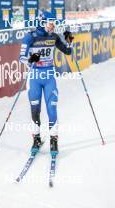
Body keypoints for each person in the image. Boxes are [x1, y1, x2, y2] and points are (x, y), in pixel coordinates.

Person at [19, 11, 74, 156]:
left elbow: (68, 51)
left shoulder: (54, 37)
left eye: (54, 23)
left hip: (49, 77)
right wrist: (32, 59)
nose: (53, 26)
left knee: (52, 108)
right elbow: (22, 58)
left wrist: (69, 40)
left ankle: (54, 141)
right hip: (35, 78)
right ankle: (36, 139)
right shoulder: (30, 37)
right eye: (51, 23)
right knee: (35, 110)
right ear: (43, 22)